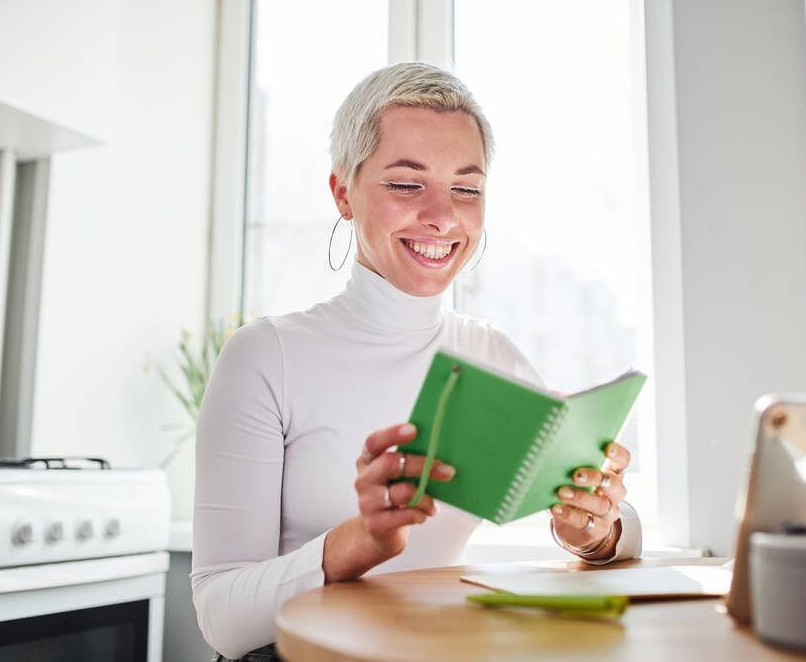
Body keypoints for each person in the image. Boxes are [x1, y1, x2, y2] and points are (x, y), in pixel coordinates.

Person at [191, 62, 642, 661]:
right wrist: (356, 543)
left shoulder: (488, 354)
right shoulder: (266, 356)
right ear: (343, 193)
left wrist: (594, 530)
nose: (443, 216)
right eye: (407, 184)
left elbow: (614, 525)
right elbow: (220, 618)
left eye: (467, 189)